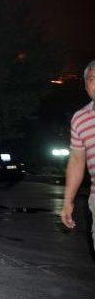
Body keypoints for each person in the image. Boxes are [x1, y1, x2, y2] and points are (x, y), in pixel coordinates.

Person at [61, 60, 95, 250]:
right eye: (92, 79)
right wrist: (68, 202)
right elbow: (76, 160)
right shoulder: (80, 118)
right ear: (85, 85)